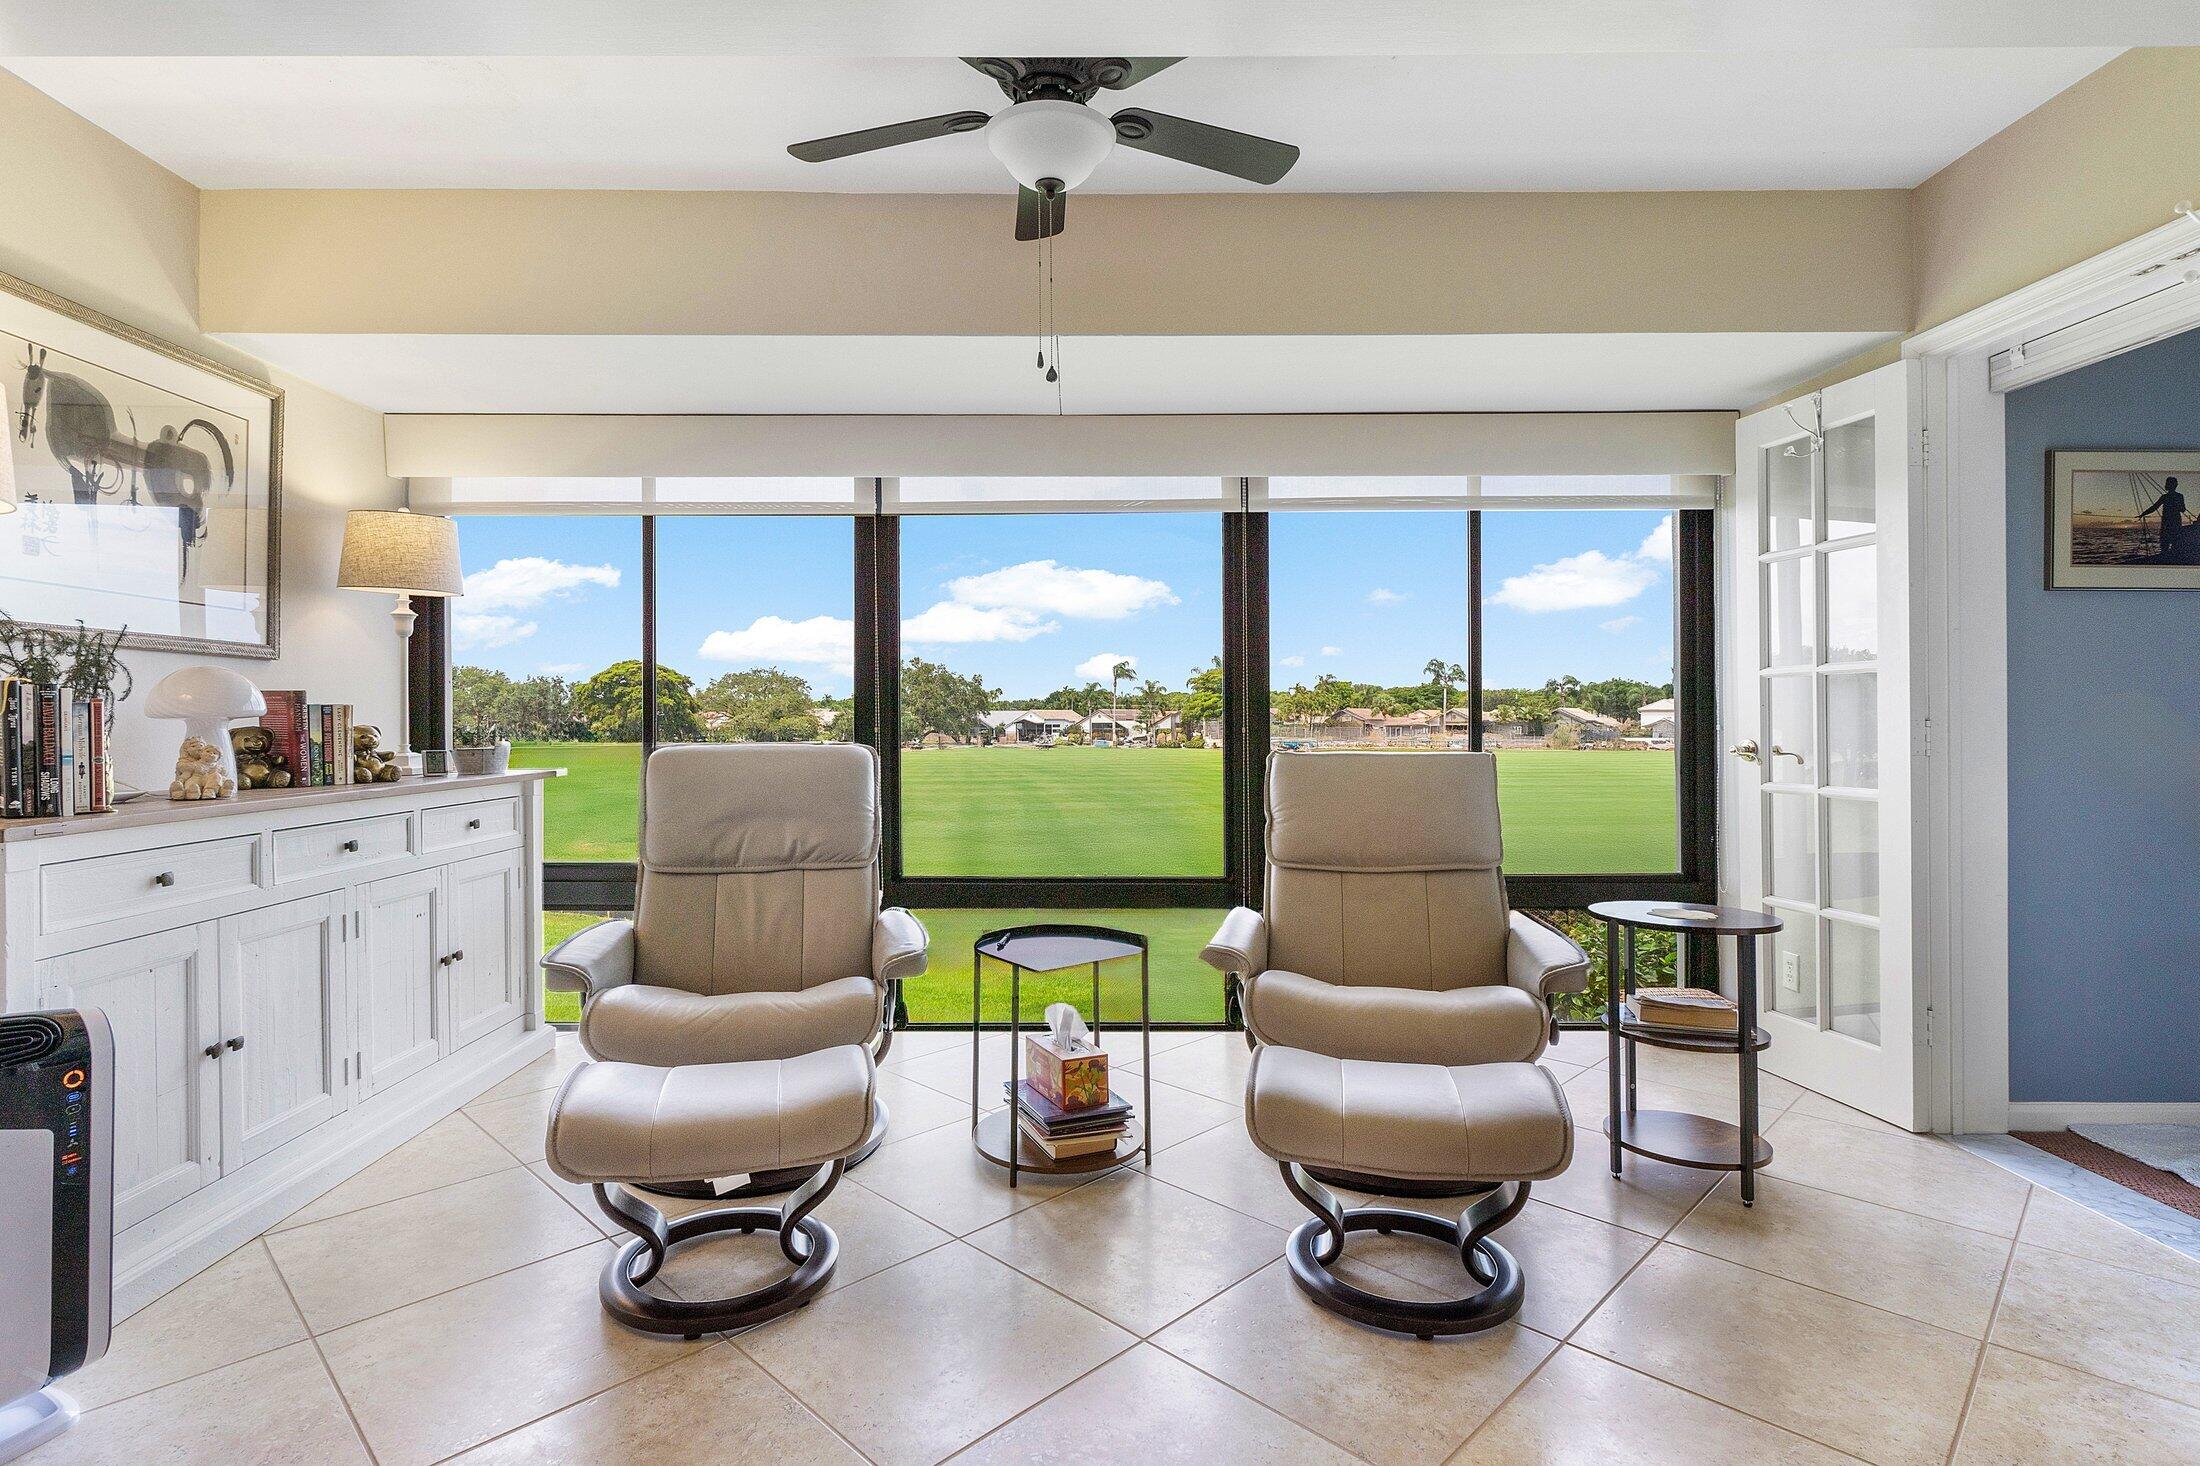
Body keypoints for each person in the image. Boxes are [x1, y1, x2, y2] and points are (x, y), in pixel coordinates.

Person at [2139, 476, 2190, 563]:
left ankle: (2168, 561)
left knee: (2170, 544)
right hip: (2169, 523)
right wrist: (2143, 514)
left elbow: (2183, 509)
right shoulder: (2168, 497)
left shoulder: (2174, 496)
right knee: (2168, 544)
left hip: (2172, 523)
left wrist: (2143, 514)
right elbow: (2155, 507)